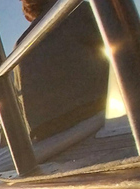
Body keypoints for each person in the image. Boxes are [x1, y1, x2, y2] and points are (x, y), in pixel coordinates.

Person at [15, 0, 110, 140]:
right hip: (95, 108)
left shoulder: (19, 47)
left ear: (28, 16)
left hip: (45, 132)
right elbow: (120, 44)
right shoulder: (75, 8)